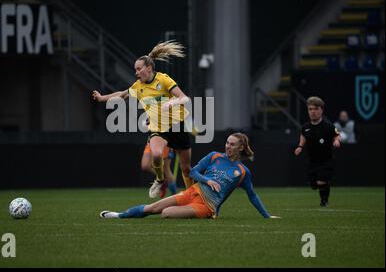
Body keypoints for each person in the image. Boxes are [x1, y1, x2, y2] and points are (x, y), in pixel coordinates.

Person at [92, 41, 194, 199]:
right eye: (135, 70)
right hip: (158, 128)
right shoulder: (138, 86)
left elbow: (184, 98)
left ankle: (193, 198)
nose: (136, 72)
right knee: (156, 154)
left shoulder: (163, 80)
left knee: (186, 169)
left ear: (149, 68)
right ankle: (160, 179)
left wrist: (173, 101)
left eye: (139, 69)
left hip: (176, 126)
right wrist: (101, 98)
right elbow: (121, 94)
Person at [100, 133, 280, 219]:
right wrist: (207, 179)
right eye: (227, 143)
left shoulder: (242, 172)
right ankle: (118, 215)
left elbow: (252, 195)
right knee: (152, 208)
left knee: (165, 214)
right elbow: (192, 172)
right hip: (192, 192)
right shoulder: (214, 156)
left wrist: (267, 216)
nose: (228, 146)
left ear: (240, 148)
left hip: (206, 205)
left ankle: (208, 215)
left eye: (232, 144)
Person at [294, 97, 341, 207]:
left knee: (321, 182)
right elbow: (303, 135)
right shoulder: (305, 127)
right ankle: (323, 186)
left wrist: (337, 141)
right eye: (310, 109)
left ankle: (324, 201)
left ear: (321, 110)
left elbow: (337, 134)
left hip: (326, 160)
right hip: (311, 161)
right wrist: (300, 146)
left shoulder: (329, 126)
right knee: (313, 185)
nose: (313, 112)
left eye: (316, 109)